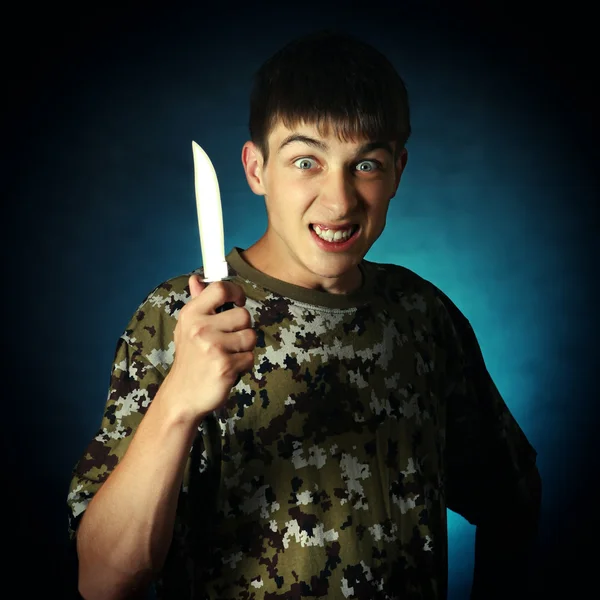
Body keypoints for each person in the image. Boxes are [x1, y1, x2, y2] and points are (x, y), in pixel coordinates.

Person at [67, 29, 541, 600]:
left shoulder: (423, 316)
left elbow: (512, 498)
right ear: (256, 169)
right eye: (306, 161)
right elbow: (102, 580)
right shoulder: (179, 318)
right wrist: (177, 406)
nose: (339, 201)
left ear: (398, 171)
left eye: (365, 164)